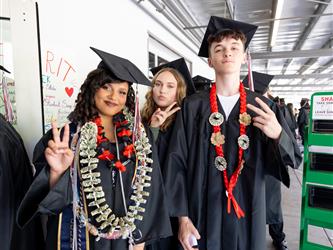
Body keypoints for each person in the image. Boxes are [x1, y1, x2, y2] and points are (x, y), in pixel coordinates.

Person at [163, 16, 302, 250]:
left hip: (248, 212)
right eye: (219, 49)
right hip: (200, 212)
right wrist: (182, 219)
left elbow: (294, 159)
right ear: (210, 61)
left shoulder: (261, 106)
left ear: (245, 57)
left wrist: (278, 134)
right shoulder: (193, 106)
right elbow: (177, 163)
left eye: (234, 47)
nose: (227, 53)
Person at [17, 47, 172, 250]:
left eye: (122, 92)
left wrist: (139, 242)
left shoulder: (138, 138)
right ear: (93, 88)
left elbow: (149, 191)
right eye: (106, 87)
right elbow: (52, 202)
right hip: (78, 237)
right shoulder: (68, 137)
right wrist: (57, 172)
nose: (113, 96)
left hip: (124, 240)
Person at [142, 58, 195, 250]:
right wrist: (153, 129)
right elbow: (141, 160)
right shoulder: (144, 117)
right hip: (147, 200)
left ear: (178, 91)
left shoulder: (185, 122)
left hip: (174, 201)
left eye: (170, 86)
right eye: (158, 84)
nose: (162, 90)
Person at [243, 72, 294, 250]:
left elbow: (290, 143)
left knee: (272, 207)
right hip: (249, 169)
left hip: (269, 169)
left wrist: (277, 134)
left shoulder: (273, 109)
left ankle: (279, 238)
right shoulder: (242, 108)